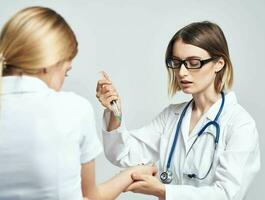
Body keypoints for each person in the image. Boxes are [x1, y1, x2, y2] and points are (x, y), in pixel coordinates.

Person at [0, 6, 156, 200]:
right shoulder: (73, 108)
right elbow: (91, 197)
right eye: (66, 72)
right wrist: (128, 175)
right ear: (49, 63)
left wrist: (116, 112)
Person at [96, 21, 261, 200]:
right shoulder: (172, 116)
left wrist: (164, 191)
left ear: (218, 64)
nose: (182, 72)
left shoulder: (239, 124)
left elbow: (228, 194)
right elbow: (124, 154)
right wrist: (115, 112)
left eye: (193, 62)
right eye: (177, 62)